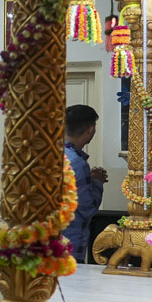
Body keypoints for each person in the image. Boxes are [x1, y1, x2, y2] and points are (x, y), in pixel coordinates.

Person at [61, 105, 106, 264]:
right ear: (90, 129)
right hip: (70, 240)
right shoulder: (78, 164)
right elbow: (88, 208)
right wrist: (97, 182)